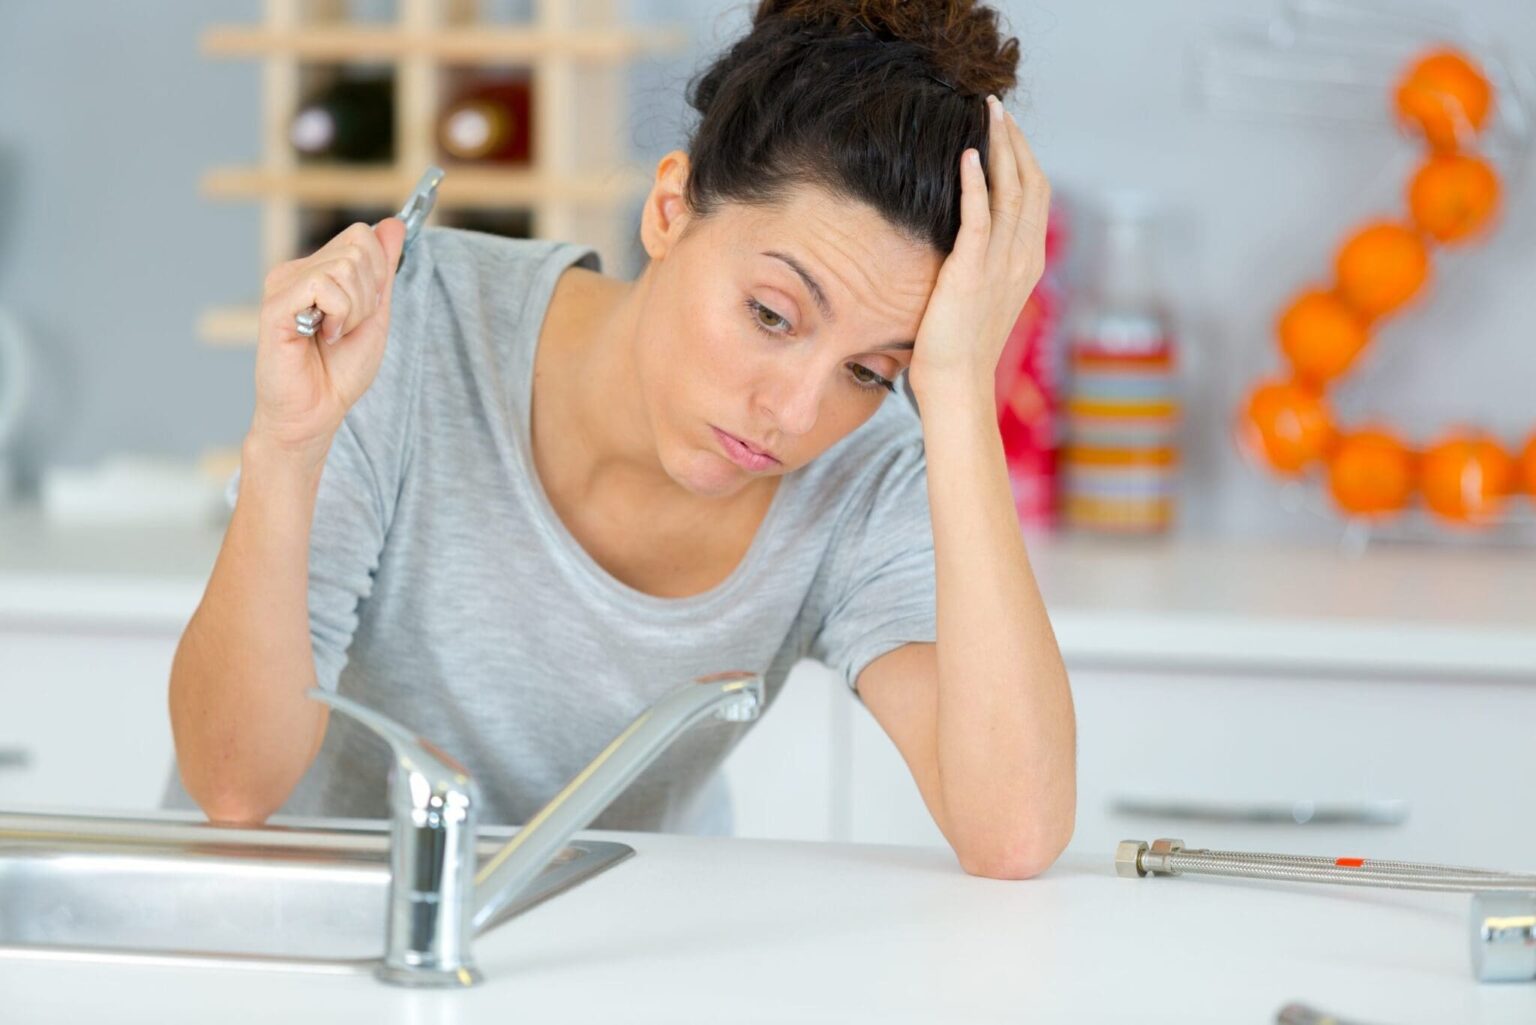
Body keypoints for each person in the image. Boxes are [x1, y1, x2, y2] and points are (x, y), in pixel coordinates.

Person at [164, 0, 1076, 879]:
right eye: (770, 314)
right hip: (312, 929)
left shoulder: (861, 475)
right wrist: (287, 446)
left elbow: (1013, 832)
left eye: (871, 371)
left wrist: (955, 386)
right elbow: (237, 785)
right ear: (671, 211)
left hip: (606, 953)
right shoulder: (408, 333)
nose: (796, 413)